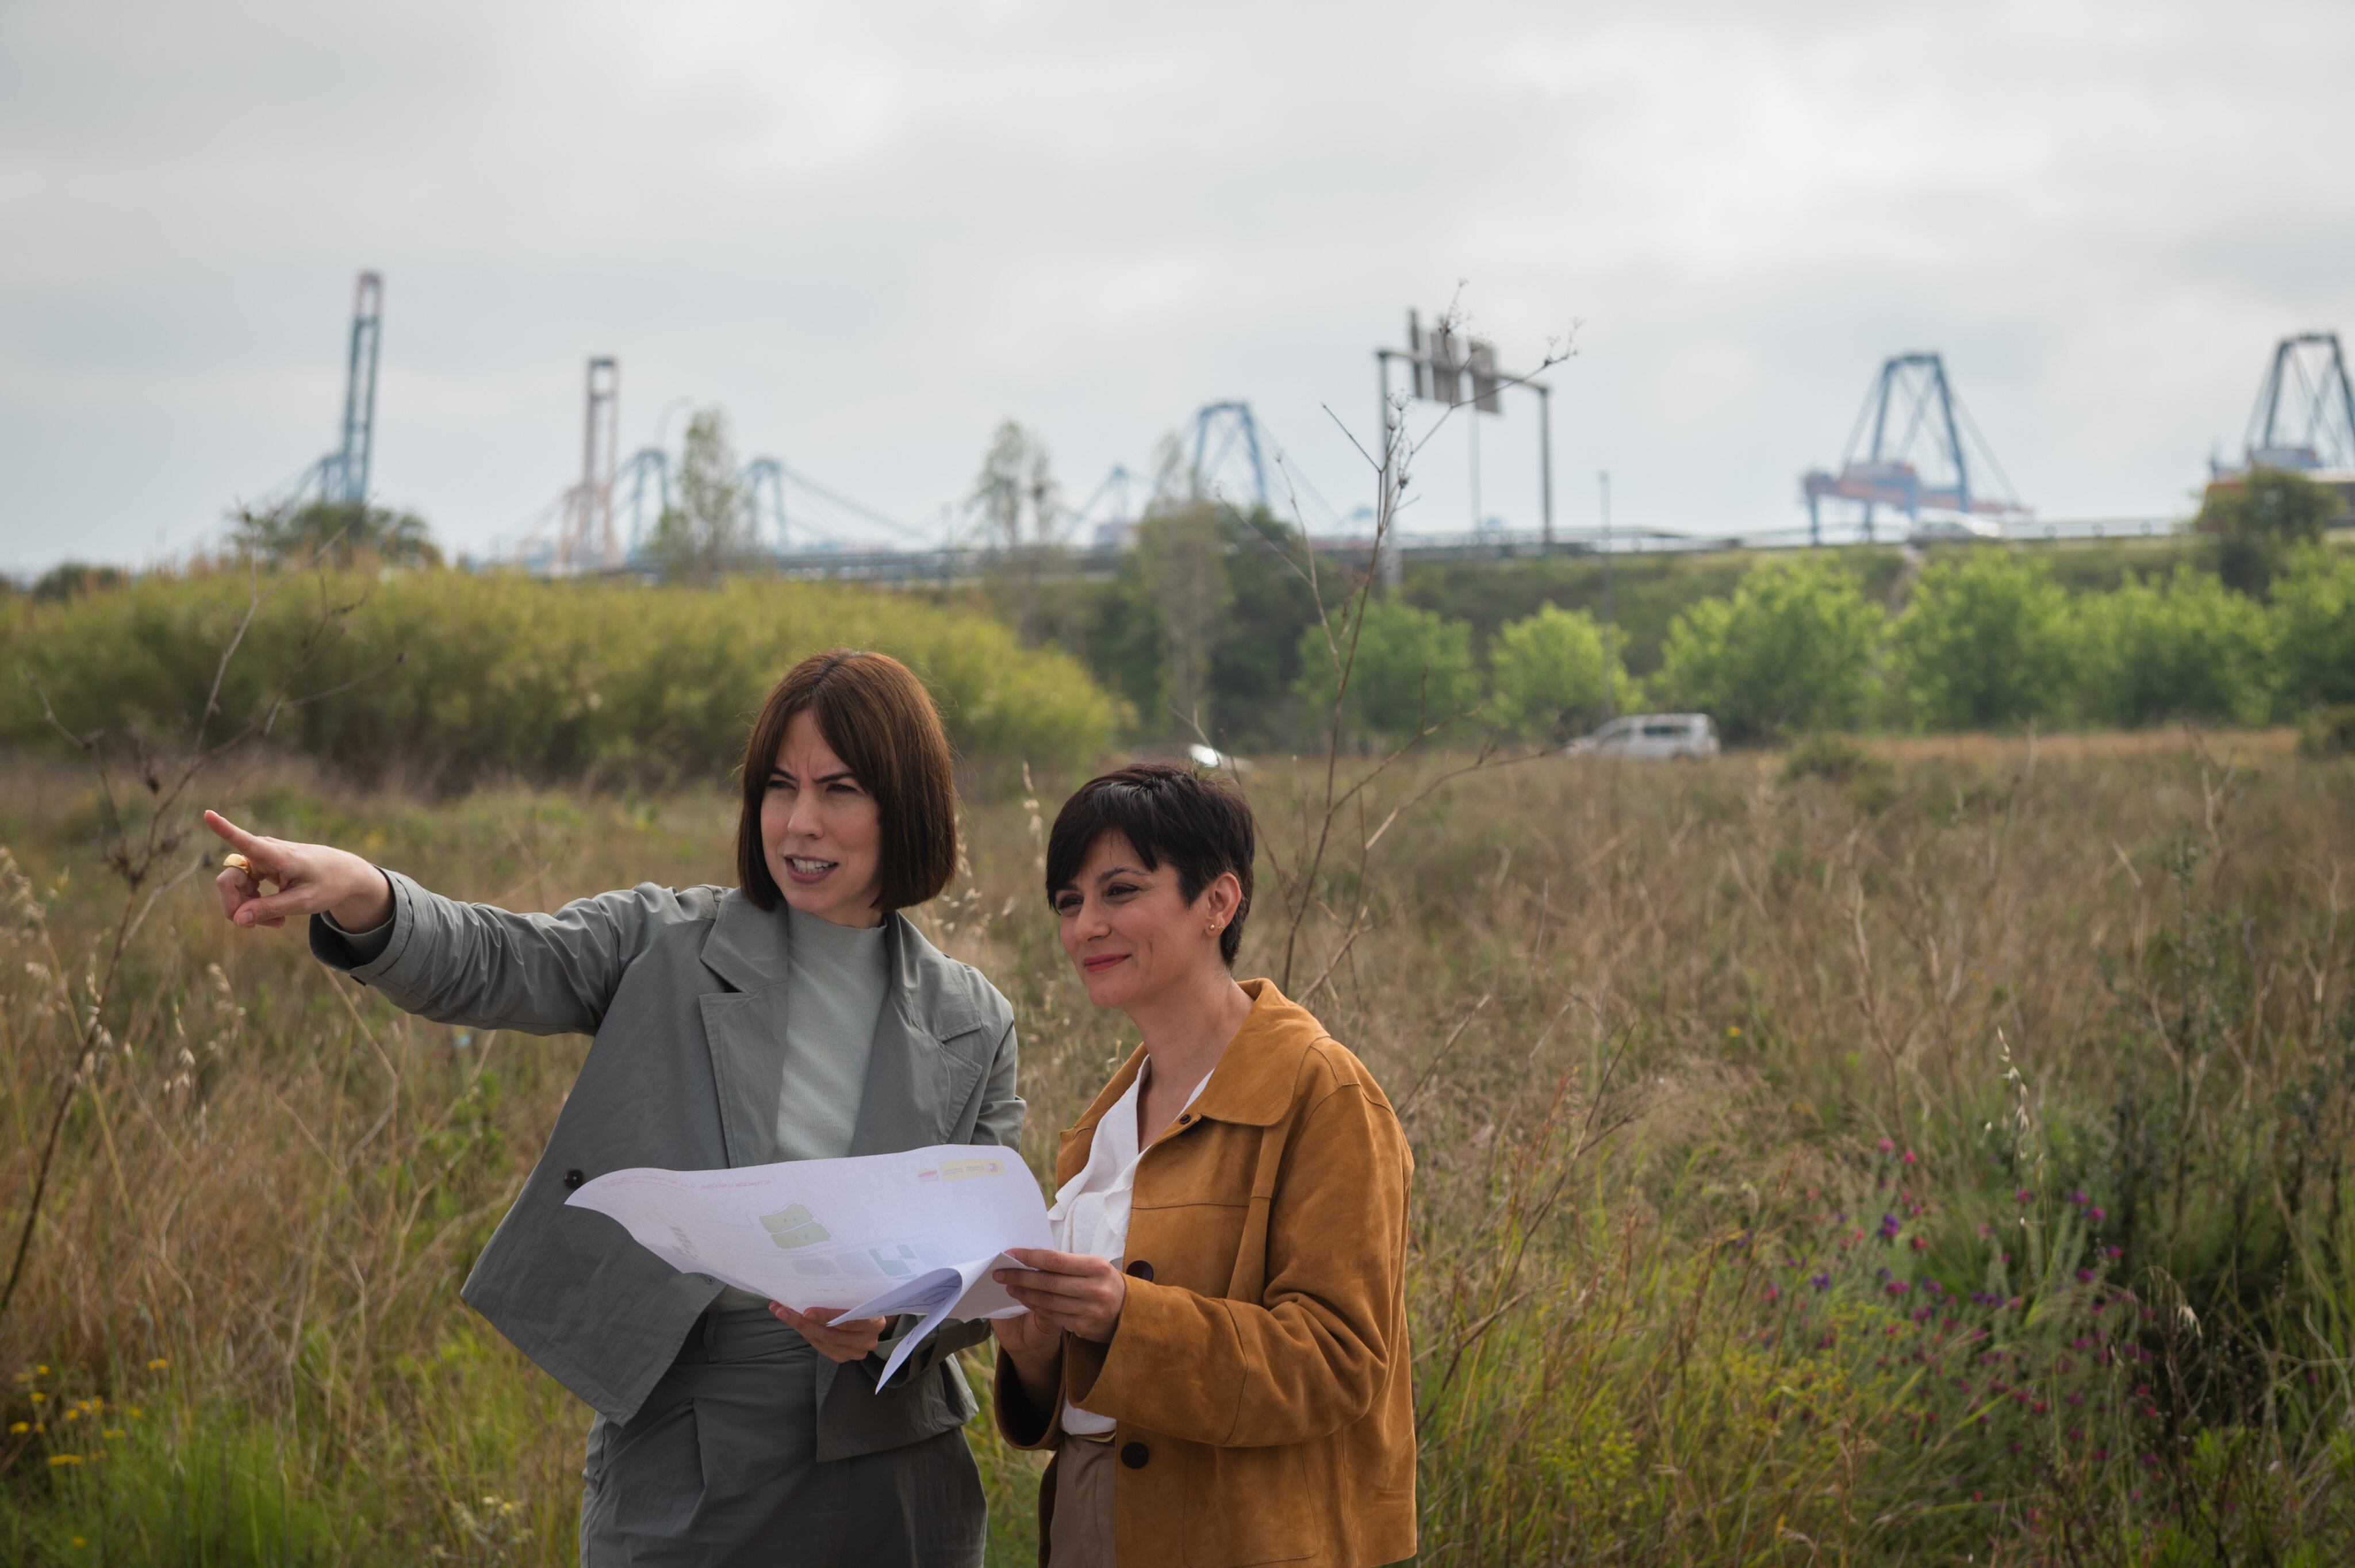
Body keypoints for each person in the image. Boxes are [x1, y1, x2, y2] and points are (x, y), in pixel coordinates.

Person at [205, 649, 1018, 1568]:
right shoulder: (662, 943)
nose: (800, 822)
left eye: (840, 789)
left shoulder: (973, 1018)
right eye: (778, 787)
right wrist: (369, 896)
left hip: (898, 1469)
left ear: (905, 805)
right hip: (692, 1444)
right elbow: (498, 958)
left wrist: (897, 1322)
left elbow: (987, 1260)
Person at [988, 763, 1416, 1568]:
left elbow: (1340, 1362)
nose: (1086, 927)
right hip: (1088, 1516)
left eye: (1120, 891)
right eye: (1069, 902)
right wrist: (1035, 1351)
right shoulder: (1104, 1124)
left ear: (1218, 902)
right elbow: (1083, 1395)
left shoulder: (1321, 1093)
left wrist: (1129, 1317)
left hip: (1243, 1535)